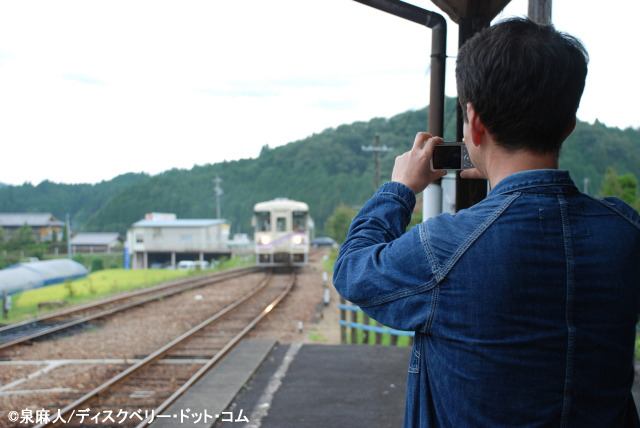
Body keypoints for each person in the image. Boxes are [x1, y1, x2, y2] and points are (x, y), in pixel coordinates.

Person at [333, 17, 640, 428]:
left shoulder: (446, 248)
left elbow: (354, 268)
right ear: (567, 126)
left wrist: (399, 189)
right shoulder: (626, 232)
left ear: (475, 124)